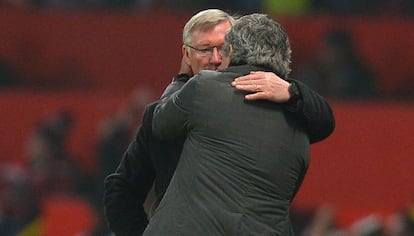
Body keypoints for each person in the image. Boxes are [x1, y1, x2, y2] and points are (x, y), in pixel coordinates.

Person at [103, 9, 335, 235]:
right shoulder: (164, 111)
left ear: (236, 49)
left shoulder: (281, 101)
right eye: (205, 49)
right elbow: (122, 190)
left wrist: (292, 91)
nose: (215, 59)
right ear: (186, 55)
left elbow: (325, 119)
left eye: (223, 48)